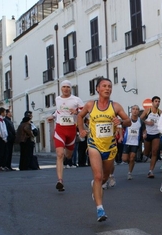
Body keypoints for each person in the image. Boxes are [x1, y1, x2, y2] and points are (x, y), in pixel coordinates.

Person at [78, 77, 131, 222]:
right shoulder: (90, 105)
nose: (107, 88)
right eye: (104, 86)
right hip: (94, 144)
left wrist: (120, 121)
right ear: (98, 89)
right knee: (98, 176)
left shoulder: (116, 107)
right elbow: (80, 116)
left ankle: (97, 187)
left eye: (109, 86)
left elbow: (129, 121)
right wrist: (81, 129)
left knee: (105, 177)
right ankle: (100, 209)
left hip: (110, 147)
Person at [47, 80, 84, 192]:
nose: (66, 89)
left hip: (71, 129)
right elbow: (59, 111)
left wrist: (76, 111)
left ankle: (68, 159)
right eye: (64, 87)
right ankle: (60, 181)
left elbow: (84, 111)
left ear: (70, 88)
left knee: (68, 155)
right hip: (60, 129)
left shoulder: (76, 100)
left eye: (68, 87)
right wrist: (52, 117)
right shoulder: (57, 99)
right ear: (61, 88)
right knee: (59, 154)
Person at [140, 96, 162, 178]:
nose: (157, 103)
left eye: (158, 101)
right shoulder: (147, 111)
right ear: (152, 102)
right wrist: (146, 122)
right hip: (148, 134)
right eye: (156, 101)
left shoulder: (160, 112)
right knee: (146, 152)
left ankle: (151, 171)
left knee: (155, 151)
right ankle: (145, 155)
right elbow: (140, 119)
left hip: (156, 134)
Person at [122, 105, 145, 180]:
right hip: (127, 141)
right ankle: (130, 163)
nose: (135, 111)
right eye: (133, 109)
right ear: (131, 111)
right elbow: (120, 127)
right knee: (125, 159)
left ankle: (129, 173)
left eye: (137, 109)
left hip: (135, 142)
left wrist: (144, 134)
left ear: (138, 111)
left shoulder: (140, 121)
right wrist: (121, 136)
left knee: (132, 158)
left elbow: (144, 129)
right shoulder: (127, 120)